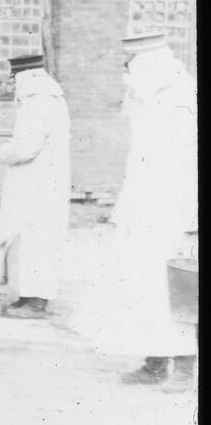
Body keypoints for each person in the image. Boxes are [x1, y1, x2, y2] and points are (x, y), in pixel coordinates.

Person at [72, 32, 198, 392]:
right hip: (145, 214)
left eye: (131, 67)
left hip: (175, 215)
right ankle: (154, 363)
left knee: (179, 290)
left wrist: (193, 218)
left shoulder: (180, 98)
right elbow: (139, 163)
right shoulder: (151, 99)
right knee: (145, 288)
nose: (127, 76)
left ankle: (184, 368)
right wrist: (123, 212)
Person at [0, 54, 71, 318]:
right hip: (47, 183)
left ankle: (36, 300)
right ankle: (28, 295)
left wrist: (4, 150)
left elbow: (25, 148)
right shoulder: (55, 101)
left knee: (34, 239)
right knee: (36, 239)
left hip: (35, 185)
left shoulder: (35, 105)